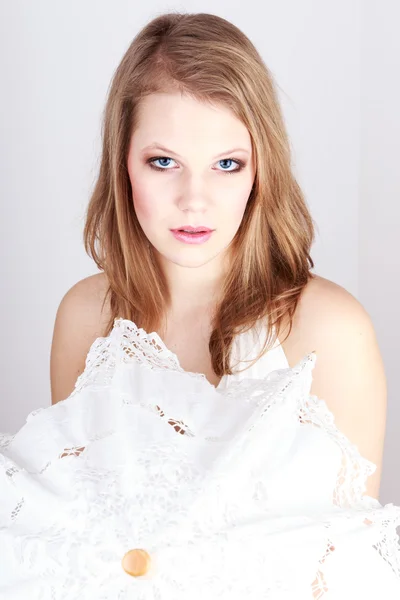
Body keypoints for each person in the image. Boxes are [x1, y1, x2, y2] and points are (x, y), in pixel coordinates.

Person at [2, 11, 399, 598]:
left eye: (226, 164)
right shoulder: (87, 317)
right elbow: (76, 537)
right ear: (123, 165)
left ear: (260, 168)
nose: (195, 199)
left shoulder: (328, 331)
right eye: (163, 162)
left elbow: (348, 568)